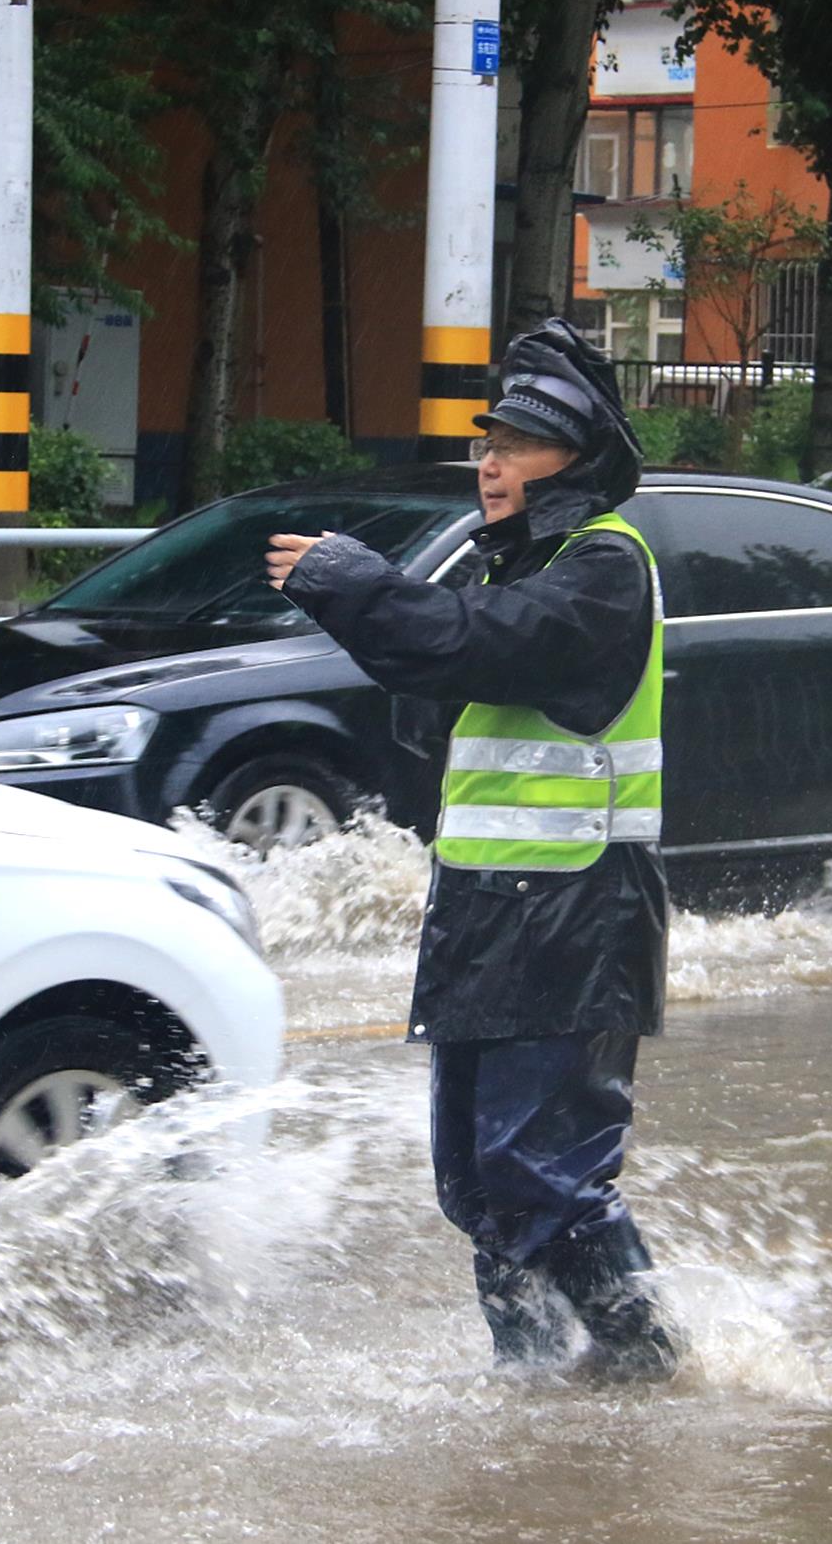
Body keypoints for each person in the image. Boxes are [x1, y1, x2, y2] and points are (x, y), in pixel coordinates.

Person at [262, 318, 683, 1384]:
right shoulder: (515, 567)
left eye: (516, 447)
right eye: (485, 444)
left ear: (574, 462)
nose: (488, 466)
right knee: (476, 1184)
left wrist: (354, 583)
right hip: (489, 910)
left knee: (540, 1171)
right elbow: (449, 662)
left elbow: (478, 644)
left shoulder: (602, 565)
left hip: (577, 912)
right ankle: (533, 1389)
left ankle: (648, 1370)